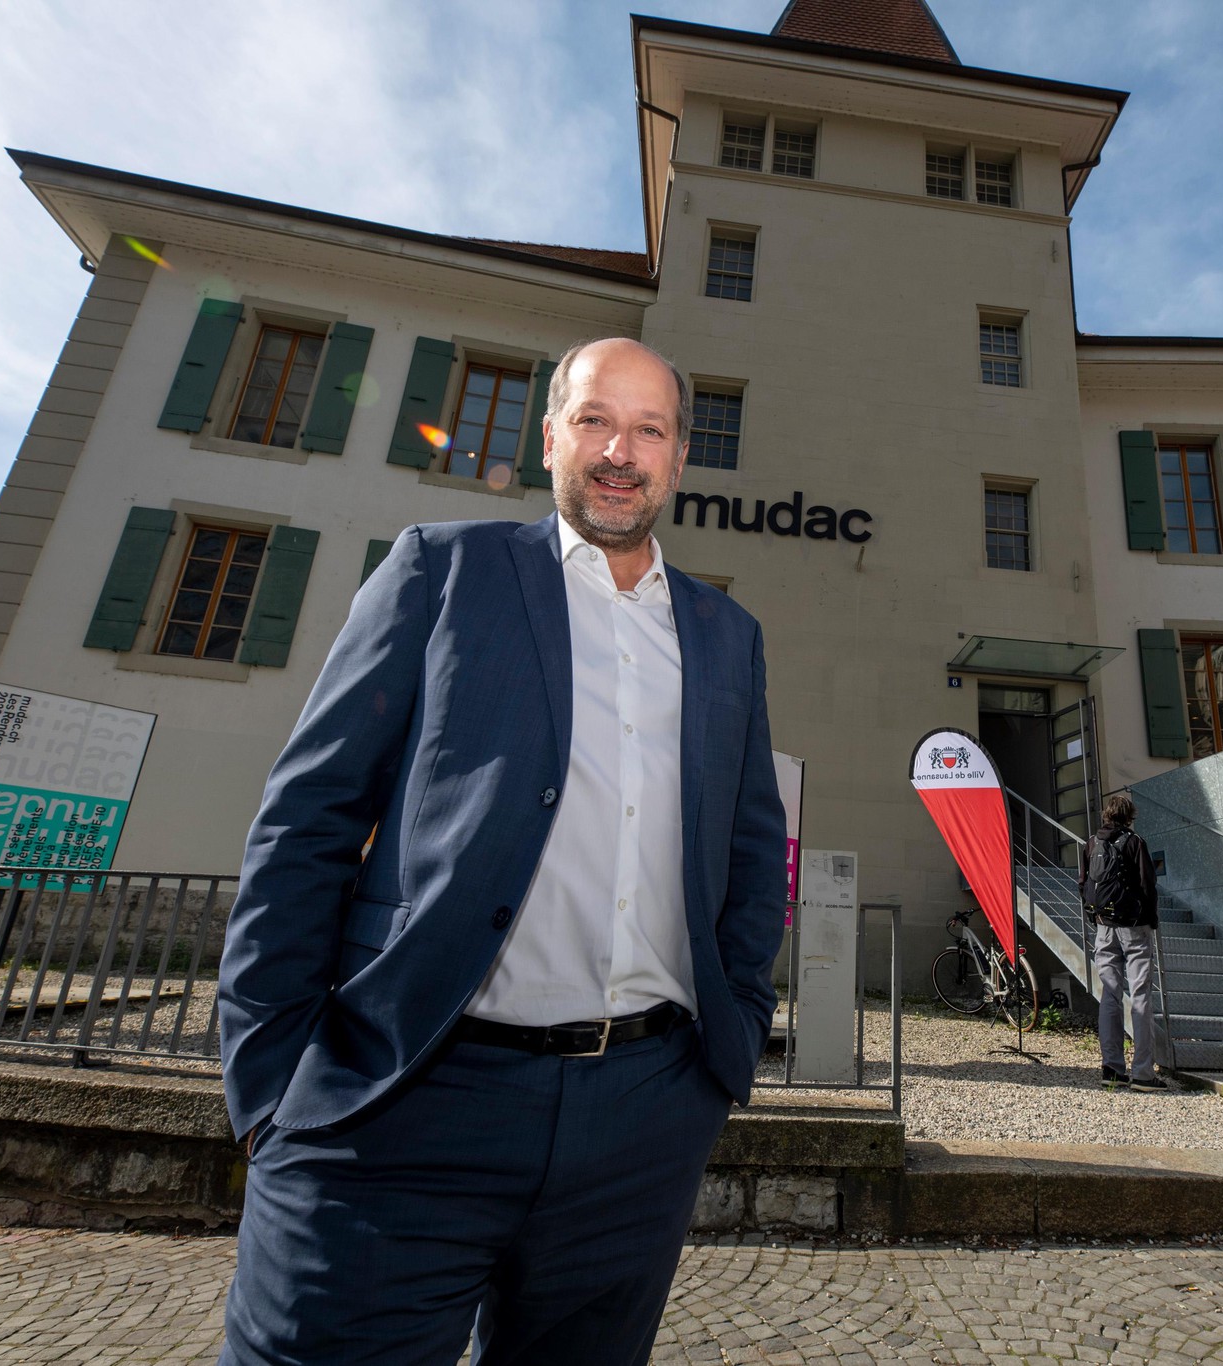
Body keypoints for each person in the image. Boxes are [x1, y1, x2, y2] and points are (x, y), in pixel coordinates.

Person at [215, 336, 787, 1366]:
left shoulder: (725, 635)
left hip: (639, 1121)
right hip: (407, 1097)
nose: (620, 450)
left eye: (648, 429)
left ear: (678, 458)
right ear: (549, 438)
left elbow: (750, 852)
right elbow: (308, 819)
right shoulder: (442, 570)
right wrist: (268, 1077)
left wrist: (724, 1050)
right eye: (594, 421)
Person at [1079, 792, 1166, 1090]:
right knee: (1140, 994)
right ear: (1129, 816)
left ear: (1106, 814)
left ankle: (1112, 1069)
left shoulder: (1091, 843)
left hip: (1104, 927)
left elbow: (1083, 883)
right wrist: (1151, 919)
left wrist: (1098, 917)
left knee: (1110, 995)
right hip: (1134, 927)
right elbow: (1147, 884)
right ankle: (1143, 1073)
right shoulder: (1134, 842)